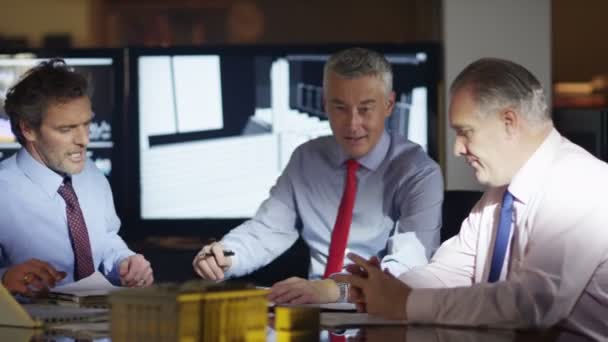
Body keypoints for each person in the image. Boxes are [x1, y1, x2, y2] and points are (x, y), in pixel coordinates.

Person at [334, 58, 608, 340]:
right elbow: (448, 273)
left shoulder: (579, 183)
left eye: (465, 132)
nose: (457, 149)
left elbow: (531, 306)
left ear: (509, 122)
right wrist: (382, 290)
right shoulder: (502, 194)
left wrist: (403, 302)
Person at [193, 47, 443, 304]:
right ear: (325, 104)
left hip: (380, 316)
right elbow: (267, 230)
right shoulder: (306, 159)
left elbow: (408, 269)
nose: (352, 124)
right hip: (313, 317)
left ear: (389, 105)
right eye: (340, 108)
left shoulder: (419, 173)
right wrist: (225, 257)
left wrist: (337, 290)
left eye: (365, 109)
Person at [0, 59, 154, 295]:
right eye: (67, 129)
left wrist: (126, 262)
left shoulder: (92, 175)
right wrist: (4, 279)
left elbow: (106, 239)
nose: (84, 140)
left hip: (96, 324)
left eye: (86, 124)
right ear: (28, 129)